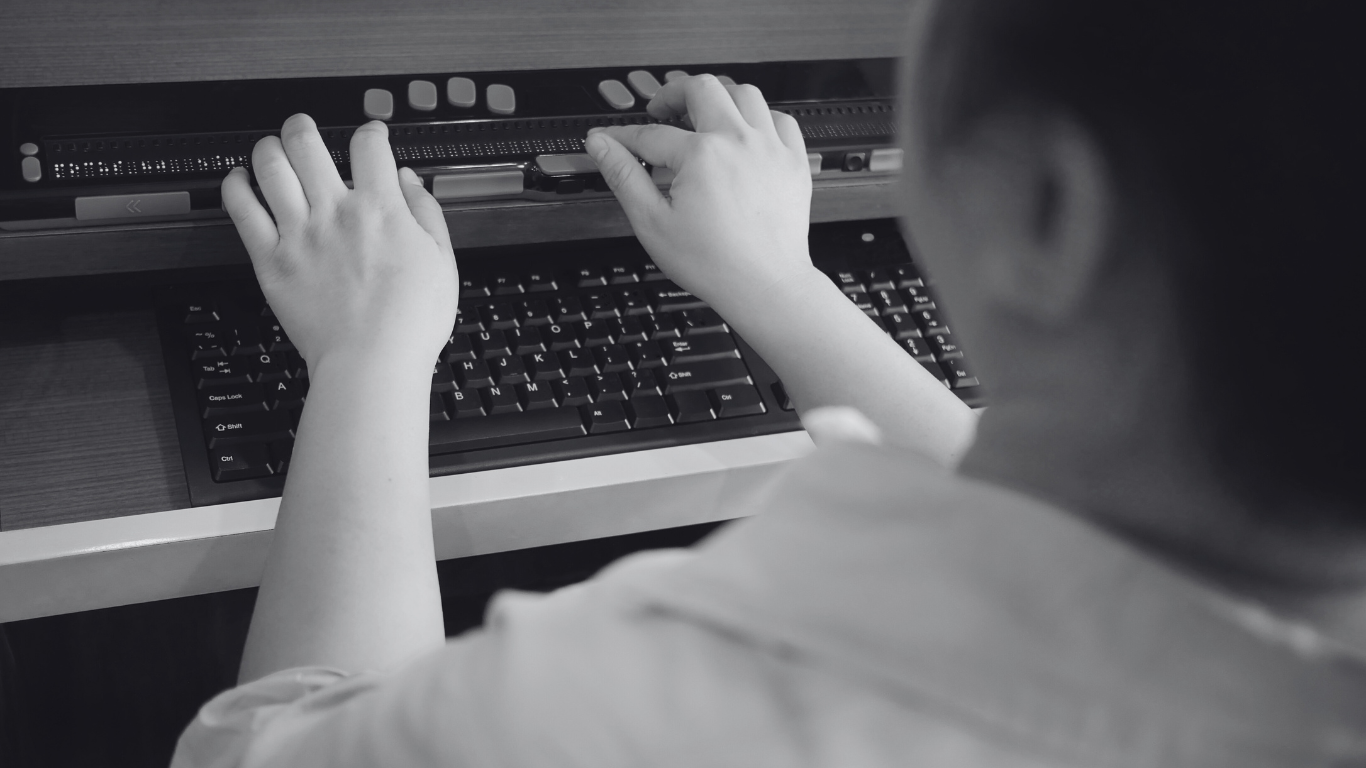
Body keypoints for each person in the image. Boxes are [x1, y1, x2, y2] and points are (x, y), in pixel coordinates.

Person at [174, 0, 1366, 765]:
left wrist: (369, 356)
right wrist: (780, 285)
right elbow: (1094, 550)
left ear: (1045, 209)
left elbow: (259, 746)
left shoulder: (635, 703)